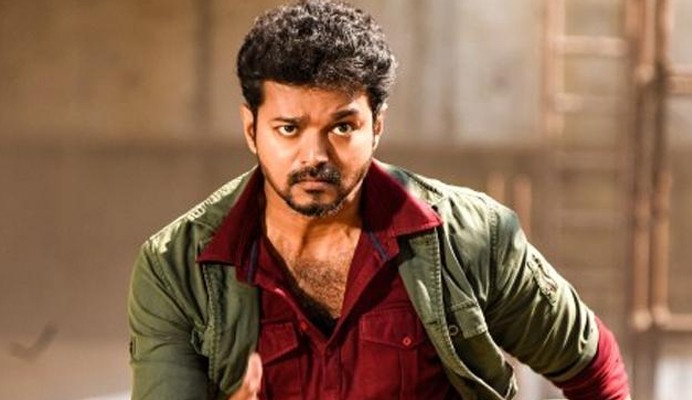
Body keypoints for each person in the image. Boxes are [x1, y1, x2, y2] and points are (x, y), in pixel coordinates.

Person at [128, 1, 631, 399]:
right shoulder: (175, 267)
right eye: (289, 129)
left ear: (377, 127)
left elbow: (593, 367)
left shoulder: (473, 238)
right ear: (250, 129)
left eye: (342, 127)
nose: (315, 156)